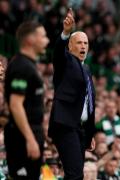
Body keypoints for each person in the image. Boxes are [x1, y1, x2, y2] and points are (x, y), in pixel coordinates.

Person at [48, 8, 96, 180]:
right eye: (79, 42)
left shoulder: (87, 69)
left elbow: (89, 103)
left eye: (86, 43)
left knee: (76, 175)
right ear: (70, 45)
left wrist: (89, 133)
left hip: (80, 129)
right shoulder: (66, 62)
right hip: (65, 125)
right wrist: (66, 33)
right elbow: (57, 53)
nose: (83, 46)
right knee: (75, 175)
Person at [4, 21, 49, 179]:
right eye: (43, 36)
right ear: (30, 40)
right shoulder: (21, 66)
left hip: (31, 132)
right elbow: (16, 105)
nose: (47, 40)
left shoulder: (29, 65)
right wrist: (30, 139)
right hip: (21, 136)